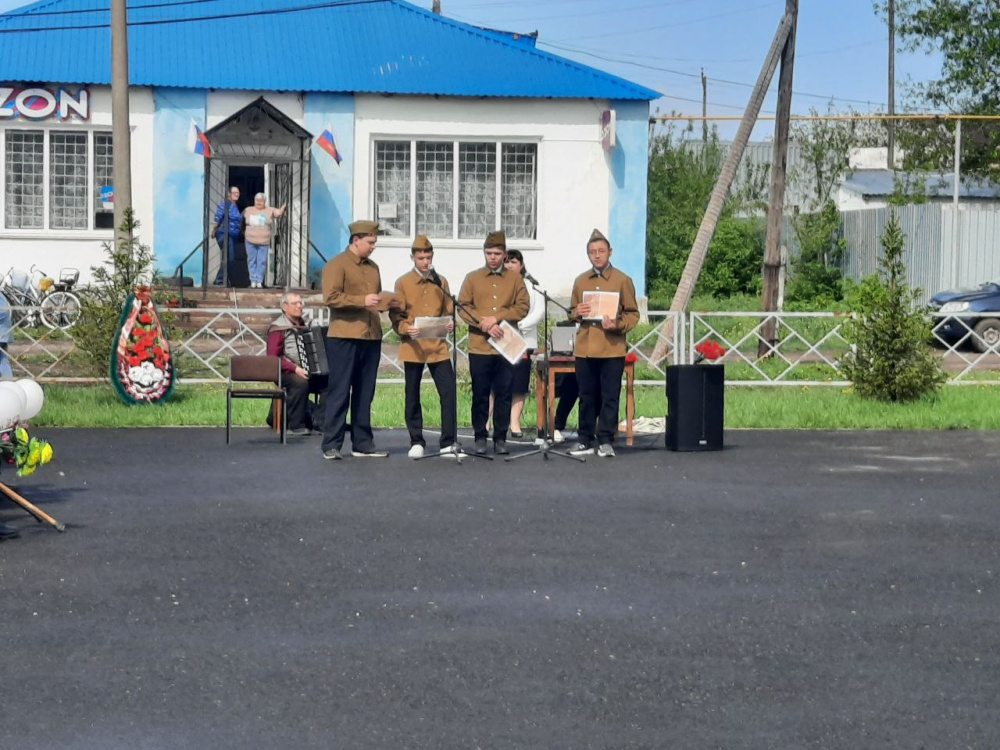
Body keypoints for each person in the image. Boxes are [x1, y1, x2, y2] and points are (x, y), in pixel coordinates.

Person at [320, 219, 399, 459]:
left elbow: (375, 298)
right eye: (370, 242)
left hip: (371, 335)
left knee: (365, 392)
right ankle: (331, 444)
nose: (373, 246)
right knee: (340, 390)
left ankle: (362, 443)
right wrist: (361, 301)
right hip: (344, 336)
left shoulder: (373, 267)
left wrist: (387, 302)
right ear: (356, 240)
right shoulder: (337, 264)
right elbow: (330, 297)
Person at [567, 229, 640, 458]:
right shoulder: (581, 280)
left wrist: (617, 324)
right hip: (586, 348)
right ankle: (584, 438)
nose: (597, 255)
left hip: (611, 347)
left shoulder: (622, 280)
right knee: (586, 395)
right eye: (592, 252)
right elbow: (571, 311)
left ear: (610, 252)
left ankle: (606, 439)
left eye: (601, 251)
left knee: (610, 395)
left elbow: (632, 314)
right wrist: (577, 312)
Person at [457, 230, 529, 456]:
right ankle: (480, 435)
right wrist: (483, 323)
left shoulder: (515, 279)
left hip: (505, 345)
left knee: (505, 392)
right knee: (480, 392)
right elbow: (463, 307)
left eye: (497, 253)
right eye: (488, 253)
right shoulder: (473, 277)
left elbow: (523, 306)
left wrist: (497, 318)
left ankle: (500, 437)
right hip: (480, 345)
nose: (493, 257)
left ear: (504, 254)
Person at [389, 236, 458, 459]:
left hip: (438, 346)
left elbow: (449, 310)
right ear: (412, 258)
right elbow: (396, 315)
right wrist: (405, 328)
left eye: (428, 257)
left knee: (448, 392)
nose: (425, 262)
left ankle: (448, 441)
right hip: (414, 346)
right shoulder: (403, 282)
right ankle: (416, 440)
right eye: (421, 258)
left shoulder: (441, 281)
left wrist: (450, 322)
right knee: (412, 393)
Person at [266, 292, 326, 436]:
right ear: (284, 307)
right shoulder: (277, 328)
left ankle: (322, 422)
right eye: (295, 303)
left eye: (301, 303)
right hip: (285, 372)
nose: (299, 306)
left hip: (308, 369)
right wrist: (295, 368)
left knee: (332, 382)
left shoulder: (306, 324)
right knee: (300, 382)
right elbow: (273, 357)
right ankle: (296, 425)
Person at [502, 249, 543, 438]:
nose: (510, 265)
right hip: (502, 338)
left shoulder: (532, 286)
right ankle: (488, 421)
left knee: (519, 384)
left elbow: (538, 312)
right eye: (507, 262)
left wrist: (519, 326)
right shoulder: (499, 284)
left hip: (524, 340)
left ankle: (515, 423)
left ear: (521, 265)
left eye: (514, 262)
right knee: (497, 384)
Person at [243, 193, 286, 289]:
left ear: (265, 201)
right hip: (250, 240)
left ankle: (259, 281)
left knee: (262, 261)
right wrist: (242, 232)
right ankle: (253, 281)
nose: (259, 202)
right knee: (251, 260)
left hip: (263, 241)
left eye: (261, 201)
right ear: (254, 201)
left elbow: (278, 213)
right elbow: (240, 219)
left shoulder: (270, 209)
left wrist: (285, 204)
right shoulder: (248, 209)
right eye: (257, 200)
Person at [212, 186, 244, 286]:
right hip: (225, 234)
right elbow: (218, 218)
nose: (237, 194)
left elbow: (238, 222)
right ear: (228, 194)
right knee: (229, 258)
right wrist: (214, 230)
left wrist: (242, 233)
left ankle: (223, 279)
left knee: (230, 259)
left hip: (233, 236)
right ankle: (220, 280)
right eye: (234, 192)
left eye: (238, 193)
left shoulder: (235, 206)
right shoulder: (225, 204)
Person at [0, 290, 12, 378]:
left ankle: (8, 381)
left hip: (2, 332)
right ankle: (8, 381)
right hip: (3, 332)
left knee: (3, 359)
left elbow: (3, 312)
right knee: (3, 360)